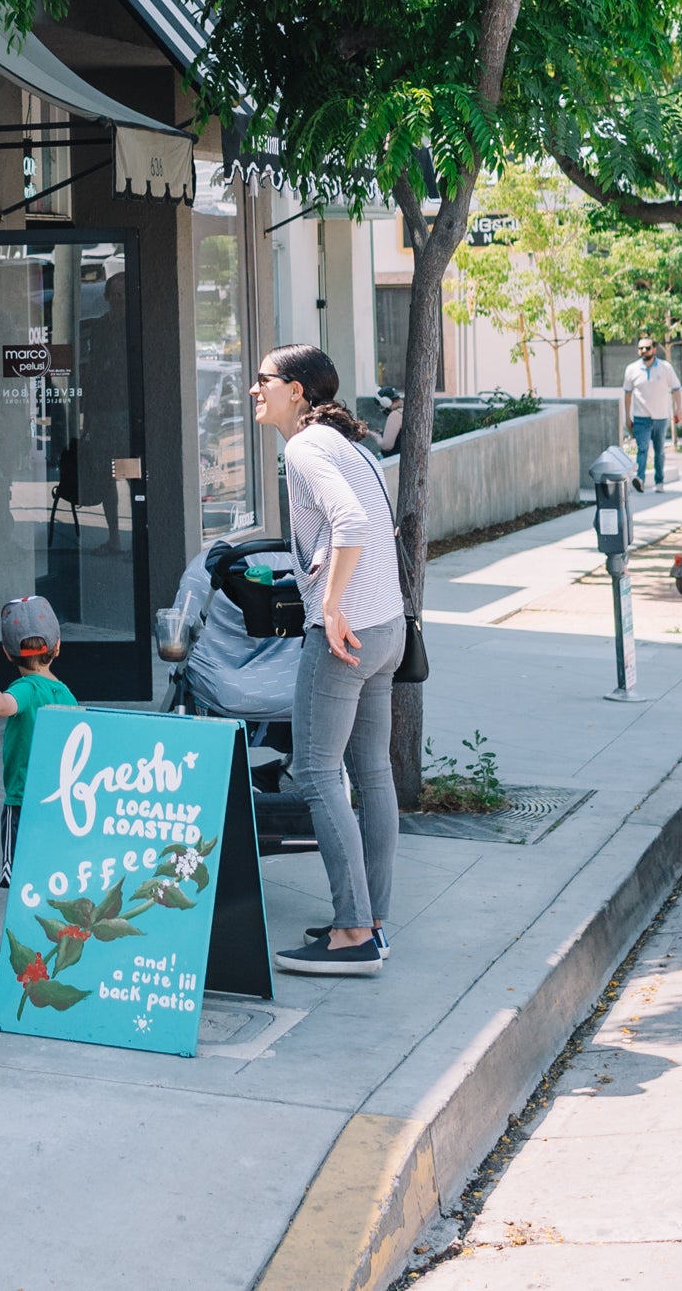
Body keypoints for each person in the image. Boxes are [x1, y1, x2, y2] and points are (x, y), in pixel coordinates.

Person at [249, 343, 405, 976]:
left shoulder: (306, 447)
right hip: (386, 628)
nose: (254, 389)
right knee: (371, 772)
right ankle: (372, 921)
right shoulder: (349, 445)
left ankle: (351, 933)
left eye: (264, 380)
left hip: (345, 635)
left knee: (315, 773)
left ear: (297, 391)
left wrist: (331, 605)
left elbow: (348, 522)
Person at [0, 596, 76, 883]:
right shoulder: (66, 694)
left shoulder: (26, 689)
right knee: (54, 875)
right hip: (60, 802)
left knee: (21, 879)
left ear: (7, 653)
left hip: (23, 800)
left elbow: (0, 706)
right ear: (58, 646)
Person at [622, 338, 677, 492]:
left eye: (647, 348)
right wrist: (627, 416)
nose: (644, 351)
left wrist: (678, 409)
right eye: (641, 348)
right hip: (641, 417)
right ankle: (640, 479)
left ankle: (659, 483)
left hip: (660, 417)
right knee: (643, 448)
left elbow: (676, 388)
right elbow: (627, 395)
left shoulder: (665, 368)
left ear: (654, 349)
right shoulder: (631, 369)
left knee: (659, 450)